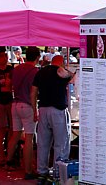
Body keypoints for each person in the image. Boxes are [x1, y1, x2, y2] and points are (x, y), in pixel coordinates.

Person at [32, 55, 75, 184]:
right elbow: (73, 79)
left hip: (43, 109)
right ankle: (58, 173)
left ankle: (42, 173)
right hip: (58, 110)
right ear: (61, 63)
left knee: (43, 144)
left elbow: (33, 92)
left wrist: (34, 109)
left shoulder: (41, 72)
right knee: (61, 144)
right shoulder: (61, 72)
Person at [7, 46, 40, 178]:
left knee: (15, 135)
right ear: (37, 57)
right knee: (29, 138)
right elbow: (34, 92)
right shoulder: (35, 71)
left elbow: (9, 85)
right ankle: (28, 170)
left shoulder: (16, 69)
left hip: (15, 104)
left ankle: (8, 162)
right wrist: (35, 110)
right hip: (27, 105)